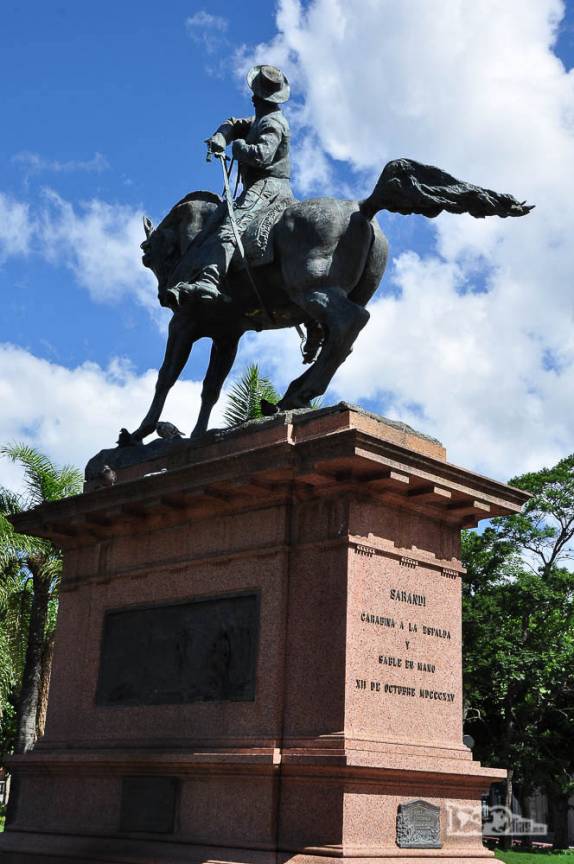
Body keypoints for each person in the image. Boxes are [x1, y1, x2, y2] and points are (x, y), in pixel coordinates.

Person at [166, 64, 293, 310]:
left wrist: (237, 148)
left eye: (256, 95)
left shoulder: (273, 124)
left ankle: (210, 280)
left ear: (262, 97)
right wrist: (221, 138)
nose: (253, 99)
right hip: (259, 185)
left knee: (230, 228)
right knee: (216, 221)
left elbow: (262, 156)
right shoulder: (261, 118)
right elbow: (234, 123)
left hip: (269, 186)